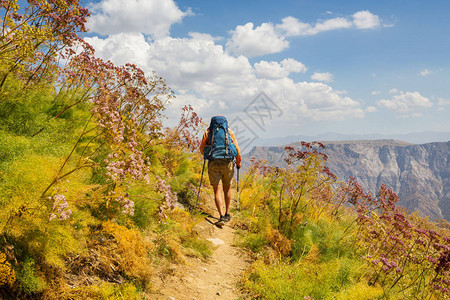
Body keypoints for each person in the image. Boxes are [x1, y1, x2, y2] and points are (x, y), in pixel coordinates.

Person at [200, 115, 241, 226]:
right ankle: (227, 214)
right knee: (227, 189)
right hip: (227, 163)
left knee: (217, 190)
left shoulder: (208, 132)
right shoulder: (229, 132)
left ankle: (221, 216)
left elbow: (201, 149)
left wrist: (209, 155)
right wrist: (238, 162)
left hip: (213, 163)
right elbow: (236, 149)